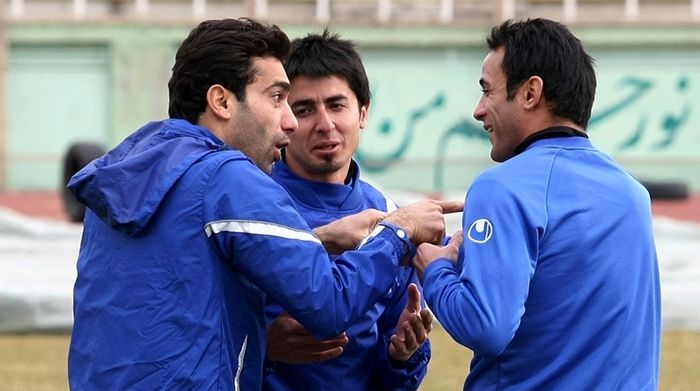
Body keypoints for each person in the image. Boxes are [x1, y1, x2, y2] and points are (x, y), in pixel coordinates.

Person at [66, 18, 461, 390]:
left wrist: (317, 239)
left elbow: (191, 267)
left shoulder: (132, 170)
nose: (291, 122)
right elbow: (329, 305)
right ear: (221, 101)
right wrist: (398, 231)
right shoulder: (227, 177)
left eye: (334, 105)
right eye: (277, 98)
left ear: (363, 111)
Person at [413, 18, 660, 389]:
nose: (478, 111)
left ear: (530, 93)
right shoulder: (632, 194)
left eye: (487, 91)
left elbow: (485, 326)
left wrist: (434, 268)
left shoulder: (502, 188)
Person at [263, 30, 432, 390]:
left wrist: (403, 356)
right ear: (282, 117)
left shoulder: (389, 215)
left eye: (337, 105)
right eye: (304, 109)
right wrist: (265, 345)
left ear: (363, 112)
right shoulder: (252, 202)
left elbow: (394, 373)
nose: (325, 124)